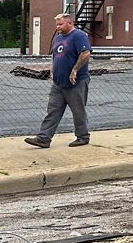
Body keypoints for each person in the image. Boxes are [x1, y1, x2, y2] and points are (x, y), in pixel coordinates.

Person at [25, 13, 93, 148]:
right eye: (56, 24)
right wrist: (52, 70)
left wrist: (75, 70)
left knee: (78, 110)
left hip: (76, 81)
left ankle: (83, 137)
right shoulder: (58, 38)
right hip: (58, 82)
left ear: (70, 23)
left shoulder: (79, 36)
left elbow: (85, 53)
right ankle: (44, 138)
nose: (58, 27)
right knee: (53, 110)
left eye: (60, 24)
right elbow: (55, 56)